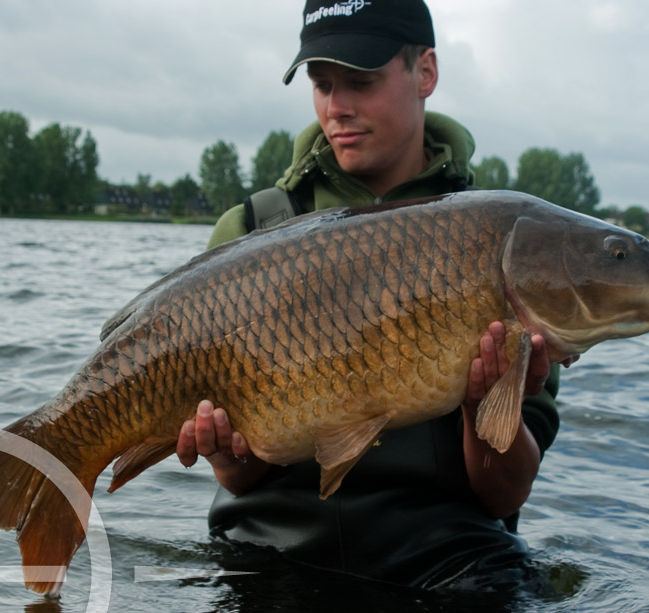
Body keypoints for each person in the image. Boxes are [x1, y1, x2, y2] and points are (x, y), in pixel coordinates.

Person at [176, 0, 562, 591]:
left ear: (425, 71)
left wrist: (486, 405)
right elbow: (238, 479)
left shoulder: (509, 242)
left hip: (444, 561)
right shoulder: (251, 233)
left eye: (361, 81)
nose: (337, 108)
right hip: (270, 552)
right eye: (322, 84)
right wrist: (224, 450)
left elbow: (504, 493)